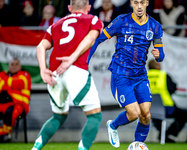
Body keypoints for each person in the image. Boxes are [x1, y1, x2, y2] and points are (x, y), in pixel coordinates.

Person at [88, 0, 165, 148]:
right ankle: (113, 126)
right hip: (121, 75)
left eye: (142, 2)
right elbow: (98, 40)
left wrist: (158, 55)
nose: (139, 6)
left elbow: (160, 54)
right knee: (134, 113)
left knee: (146, 114)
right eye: (136, 2)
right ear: (131, 4)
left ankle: (137, 145)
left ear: (147, 3)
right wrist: (86, 62)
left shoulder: (155, 26)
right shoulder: (121, 21)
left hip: (141, 75)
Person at [31, 0, 103, 150]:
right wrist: (72, 58)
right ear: (88, 8)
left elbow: (40, 47)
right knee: (95, 116)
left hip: (55, 74)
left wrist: (43, 69)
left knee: (58, 116)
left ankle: (35, 148)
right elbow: (90, 38)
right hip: (75, 70)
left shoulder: (55, 25)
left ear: (70, 8)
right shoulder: (93, 19)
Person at [147, 59, 187, 142]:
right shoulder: (163, 75)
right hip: (166, 108)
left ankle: (163, 135)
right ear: (157, 66)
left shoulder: (144, 77)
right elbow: (172, 88)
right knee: (184, 114)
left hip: (148, 109)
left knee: (156, 118)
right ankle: (167, 133)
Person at [0, 58, 31, 142]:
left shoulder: (25, 75)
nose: (14, 66)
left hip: (20, 105)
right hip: (4, 103)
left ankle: (6, 134)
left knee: (11, 112)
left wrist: (6, 83)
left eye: (16, 64)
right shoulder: (3, 74)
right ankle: (3, 133)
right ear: (8, 66)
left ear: (20, 66)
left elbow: (19, 83)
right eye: (12, 64)